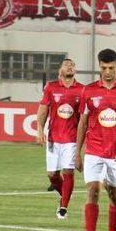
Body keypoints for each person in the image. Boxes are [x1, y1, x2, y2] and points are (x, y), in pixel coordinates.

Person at [74, 49, 116, 231]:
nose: (107, 72)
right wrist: (77, 153)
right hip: (94, 151)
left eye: (111, 68)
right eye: (103, 68)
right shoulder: (89, 90)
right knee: (93, 190)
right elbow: (82, 123)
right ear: (99, 66)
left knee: (115, 196)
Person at [36, 58, 84, 219]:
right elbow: (43, 111)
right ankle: (65, 194)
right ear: (59, 71)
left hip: (71, 138)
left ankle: (63, 207)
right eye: (66, 64)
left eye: (72, 65)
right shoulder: (51, 87)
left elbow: (84, 118)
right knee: (52, 175)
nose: (70, 66)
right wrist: (39, 130)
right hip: (53, 138)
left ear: (75, 71)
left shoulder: (82, 90)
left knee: (68, 170)